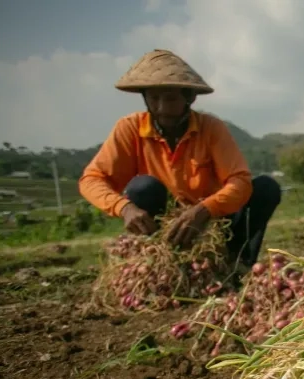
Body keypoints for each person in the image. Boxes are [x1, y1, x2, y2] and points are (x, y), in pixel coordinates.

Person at [79, 49, 283, 270]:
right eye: (154, 98)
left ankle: (236, 265)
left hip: (213, 224)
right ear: (144, 98)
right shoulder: (130, 128)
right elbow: (91, 180)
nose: (161, 108)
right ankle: (159, 264)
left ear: (190, 98)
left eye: (171, 98)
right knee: (142, 188)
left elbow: (240, 182)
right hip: (164, 228)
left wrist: (203, 211)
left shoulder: (211, 128)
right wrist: (124, 208)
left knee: (265, 187)